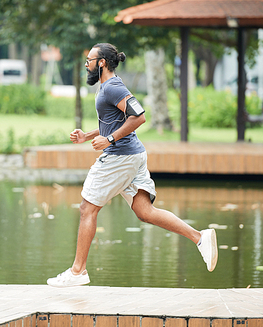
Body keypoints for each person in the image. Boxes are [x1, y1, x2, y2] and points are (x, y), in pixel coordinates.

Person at [46, 43, 218, 288]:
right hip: (132, 155)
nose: (87, 64)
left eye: (90, 59)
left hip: (120, 157)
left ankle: (78, 271)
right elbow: (114, 121)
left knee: (87, 209)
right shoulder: (107, 88)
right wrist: (88, 135)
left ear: (102, 62)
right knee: (144, 212)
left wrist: (110, 140)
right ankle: (200, 238)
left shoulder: (113, 87)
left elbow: (139, 117)